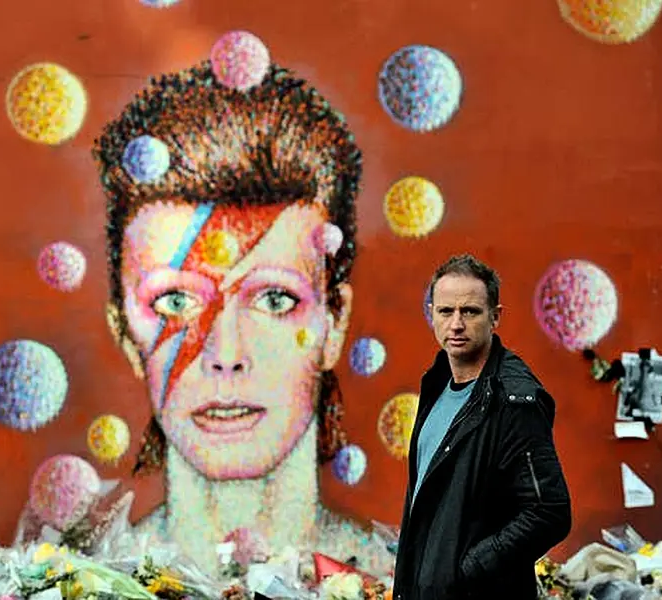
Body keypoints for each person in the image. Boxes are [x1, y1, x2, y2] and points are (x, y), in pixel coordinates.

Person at [92, 61, 386, 574]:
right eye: (176, 302)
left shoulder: (398, 579)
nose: (225, 354)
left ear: (334, 323)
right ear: (124, 334)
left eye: (274, 299)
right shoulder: (86, 585)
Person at [392, 254, 572, 600]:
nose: (456, 324)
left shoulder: (515, 400)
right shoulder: (437, 383)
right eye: (446, 311)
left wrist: (468, 570)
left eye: (470, 311)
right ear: (431, 314)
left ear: (495, 317)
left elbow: (549, 512)